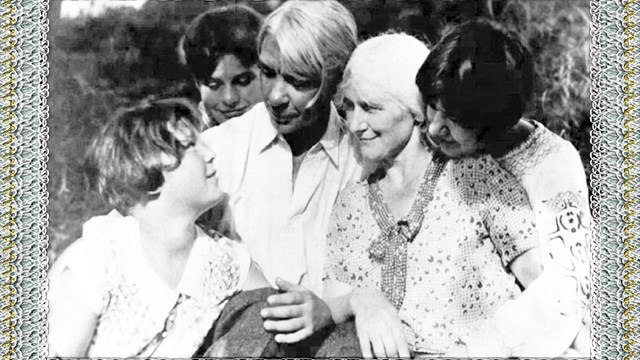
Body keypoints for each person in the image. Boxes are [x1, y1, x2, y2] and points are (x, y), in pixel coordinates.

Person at [321, 32, 543, 357]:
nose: (355, 124)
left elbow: (548, 293)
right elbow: (331, 307)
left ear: (414, 110)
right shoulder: (351, 203)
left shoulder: (476, 176)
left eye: (370, 108)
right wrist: (361, 298)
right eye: (349, 107)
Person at [415, 19, 590, 356]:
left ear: (493, 117)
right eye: (432, 108)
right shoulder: (439, 147)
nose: (435, 130)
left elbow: (567, 292)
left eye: (454, 119)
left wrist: (476, 347)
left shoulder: (550, 163)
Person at [47, 99, 269, 357]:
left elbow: (279, 307)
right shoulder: (100, 259)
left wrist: (312, 313)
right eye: (190, 147)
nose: (210, 154)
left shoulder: (223, 259)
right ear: (146, 173)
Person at [198, 0, 361, 342]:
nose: (274, 96)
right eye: (268, 72)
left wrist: (333, 308)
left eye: (299, 81)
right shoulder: (216, 151)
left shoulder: (364, 160)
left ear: (338, 78)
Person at [179, 4, 264, 126]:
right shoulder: (189, 139)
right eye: (214, 85)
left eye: (243, 81)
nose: (229, 99)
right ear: (197, 84)